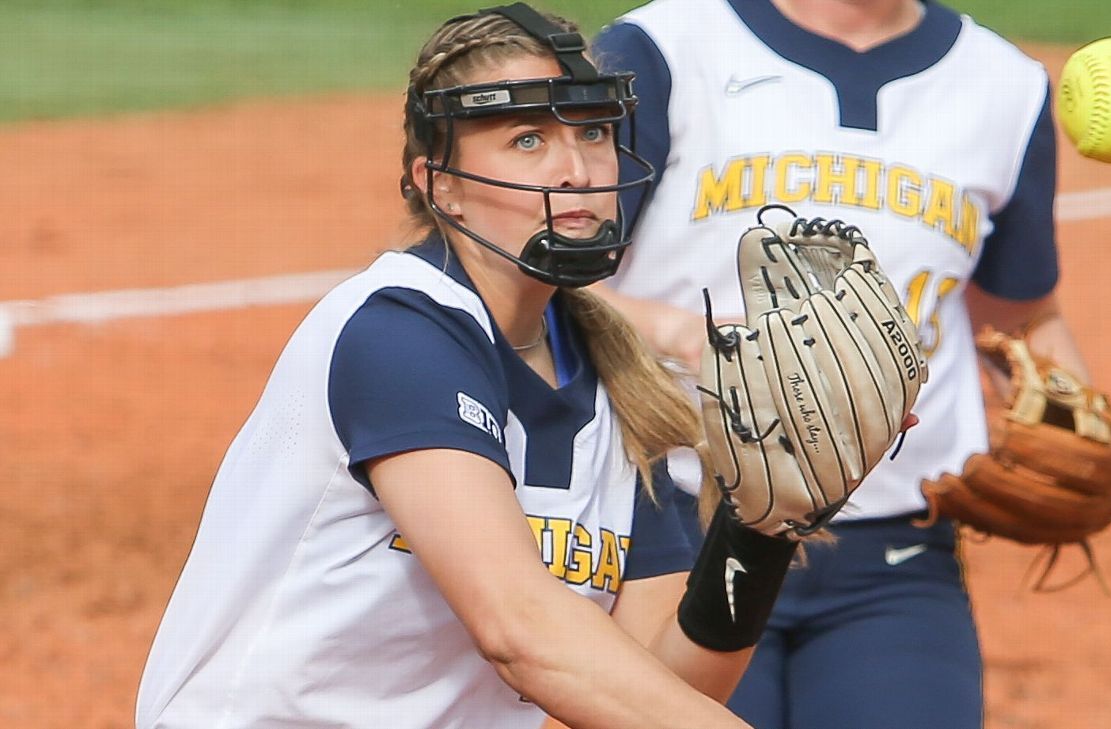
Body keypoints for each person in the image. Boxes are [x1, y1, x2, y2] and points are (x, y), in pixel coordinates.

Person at [135, 5, 809, 727]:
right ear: (438, 183)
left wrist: (762, 529)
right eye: (528, 140)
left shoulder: (623, 383)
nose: (576, 170)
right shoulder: (399, 333)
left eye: (593, 134)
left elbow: (656, 685)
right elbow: (519, 629)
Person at [593, 0, 1096, 727]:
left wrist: (1074, 418)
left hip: (894, 551)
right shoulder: (663, 48)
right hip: (678, 527)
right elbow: (550, 283)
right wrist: (680, 333)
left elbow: (1020, 314)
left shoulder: (1003, 85)